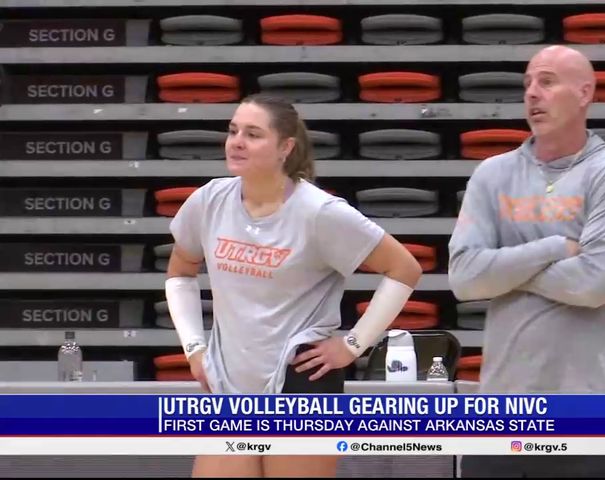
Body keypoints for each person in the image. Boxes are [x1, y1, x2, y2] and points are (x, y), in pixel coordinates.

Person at [164, 92, 423, 477]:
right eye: (233, 131)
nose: (236, 141)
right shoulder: (209, 200)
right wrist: (194, 348)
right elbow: (180, 271)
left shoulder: (319, 212)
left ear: (285, 147)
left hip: (301, 382)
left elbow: (405, 269)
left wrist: (352, 346)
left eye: (253, 134)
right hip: (231, 386)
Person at [448, 45, 605, 477]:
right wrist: (554, 248)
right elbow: (464, 278)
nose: (532, 93)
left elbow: (593, 284)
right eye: (527, 84)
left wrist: (502, 271)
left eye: (547, 81)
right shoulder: (492, 174)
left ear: (584, 93)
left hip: (592, 410)